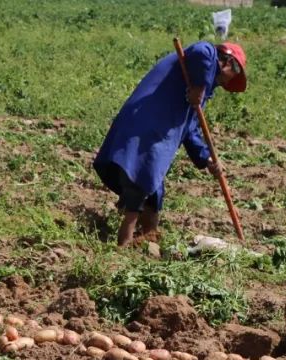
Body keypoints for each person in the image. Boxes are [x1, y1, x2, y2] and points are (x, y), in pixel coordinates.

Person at [93, 42, 247, 247]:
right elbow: (203, 51)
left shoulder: (201, 91)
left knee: (154, 190)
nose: (228, 81)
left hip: (156, 134)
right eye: (233, 73)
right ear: (228, 62)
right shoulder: (203, 57)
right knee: (141, 177)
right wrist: (200, 87)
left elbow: (190, 129)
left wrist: (206, 158)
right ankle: (124, 244)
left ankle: (148, 237)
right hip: (146, 125)